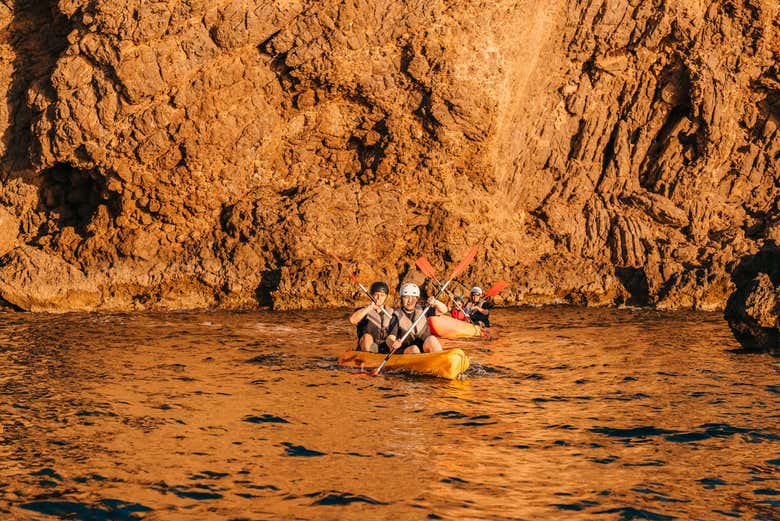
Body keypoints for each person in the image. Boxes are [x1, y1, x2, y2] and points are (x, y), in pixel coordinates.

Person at [385, 283, 448, 354]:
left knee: (432, 339)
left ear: (417, 298)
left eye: (413, 297)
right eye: (406, 297)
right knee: (414, 349)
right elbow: (390, 338)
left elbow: (444, 310)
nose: (410, 301)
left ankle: (439, 362)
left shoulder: (424, 309)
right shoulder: (396, 316)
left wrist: (436, 302)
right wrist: (393, 343)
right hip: (407, 349)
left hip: (423, 346)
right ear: (401, 298)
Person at [348, 281, 393, 353]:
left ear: (386, 297)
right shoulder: (363, 311)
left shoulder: (391, 313)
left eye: (382, 295)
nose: (379, 298)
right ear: (371, 295)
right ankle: (369, 356)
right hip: (370, 347)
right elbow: (352, 320)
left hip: (384, 347)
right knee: (367, 337)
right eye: (376, 295)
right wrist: (370, 307)